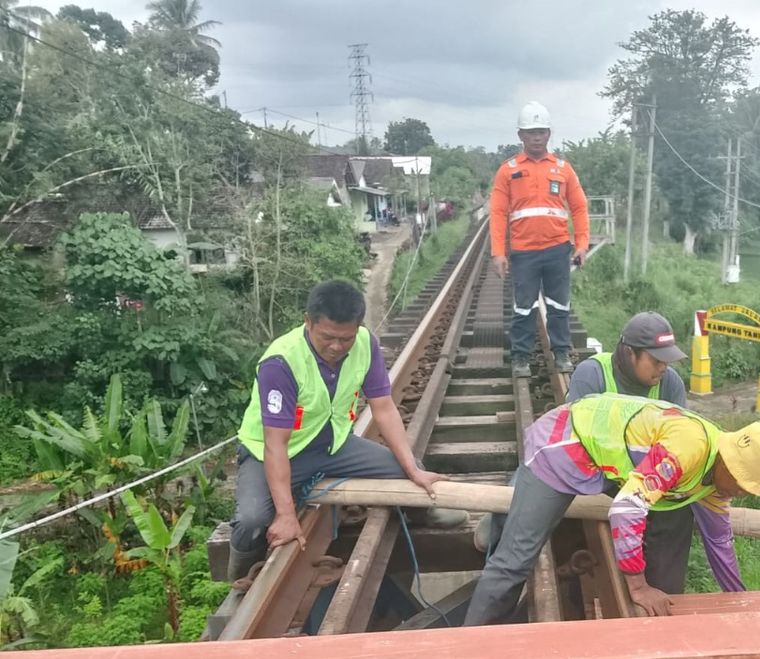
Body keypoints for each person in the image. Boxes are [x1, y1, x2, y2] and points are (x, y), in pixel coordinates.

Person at [463, 394, 760, 625]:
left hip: (609, 467)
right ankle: (469, 652)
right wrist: (638, 587)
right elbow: (625, 510)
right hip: (564, 444)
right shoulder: (688, 448)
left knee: (666, 518)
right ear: (728, 460)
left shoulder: (715, 482)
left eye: (748, 488)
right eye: (740, 482)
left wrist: (741, 602)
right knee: (516, 560)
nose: (739, 491)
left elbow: (720, 542)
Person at [227, 280, 468, 580]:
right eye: (327, 337)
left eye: (346, 338)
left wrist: (412, 468)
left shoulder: (365, 344)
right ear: (308, 321)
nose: (337, 347)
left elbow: (383, 408)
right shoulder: (282, 362)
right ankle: (239, 578)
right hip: (273, 454)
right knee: (251, 521)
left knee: (411, 470)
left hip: (332, 445)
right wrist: (287, 515)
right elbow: (275, 444)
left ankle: (420, 512)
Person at [473, 311, 695, 593]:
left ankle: (662, 587)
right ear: (629, 354)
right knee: (529, 479)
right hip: (587, 466)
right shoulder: (594, 372)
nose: (663, 367)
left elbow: (679, 442)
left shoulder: (670, 383)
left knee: (680, 505)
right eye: (656, 360)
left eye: (666, 360)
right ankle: (497, 523)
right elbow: (580, 443)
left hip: (636, 476)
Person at [490, 101, 589, 378]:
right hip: (523, 252)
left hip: (557, 250)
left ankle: (561, 352)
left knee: (559, 305)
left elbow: (580, 207)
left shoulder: (563, 169)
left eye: (541, 131)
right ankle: (520, 357)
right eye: (531, 132)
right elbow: (497, 213)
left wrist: (581, 244)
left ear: (549, 134)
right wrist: (499, 252)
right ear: (520, 135)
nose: (536, 137)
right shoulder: (507, 170)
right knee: (524, 307)